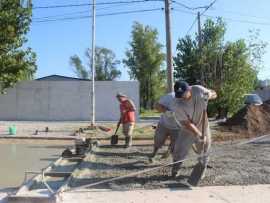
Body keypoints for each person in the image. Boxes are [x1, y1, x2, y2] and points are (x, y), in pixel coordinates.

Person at [170, 81, 217, 184]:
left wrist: (209, 95)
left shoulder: (198, 89)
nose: (181, 97)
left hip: (203, 125)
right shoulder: (177, 103)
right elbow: (187, 123)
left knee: (204, 149)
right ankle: (175, 169)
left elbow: (214, 94)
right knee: (179, 149)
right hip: (187, 129)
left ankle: (201, 170)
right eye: (179, 95)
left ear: (189, 90)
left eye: (183, 94)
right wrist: (198, 134)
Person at [149, 90, 181, 162]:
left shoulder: (189, 99)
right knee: (158, 140)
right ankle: (154, 154)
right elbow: (156, 105)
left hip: (178, 127)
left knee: (175, 145)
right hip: (164, 124)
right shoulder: (169, 96)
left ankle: (173, 159)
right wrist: (166, 111)